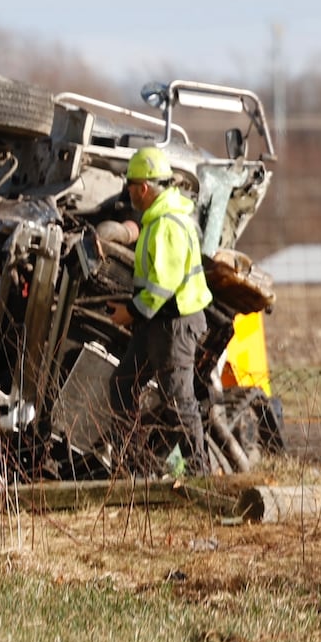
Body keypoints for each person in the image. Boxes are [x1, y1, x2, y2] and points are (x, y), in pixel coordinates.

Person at [108, 145, 213, 476]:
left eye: (130, 187)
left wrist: (130, 312)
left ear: (143, 188)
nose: (128, 194)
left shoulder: (166, 223)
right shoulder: (157, 220)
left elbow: (161, 289)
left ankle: (196, 476)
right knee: (123, 385)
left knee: (178, 403)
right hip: (159, 324)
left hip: (174, 324)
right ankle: (137, 468)